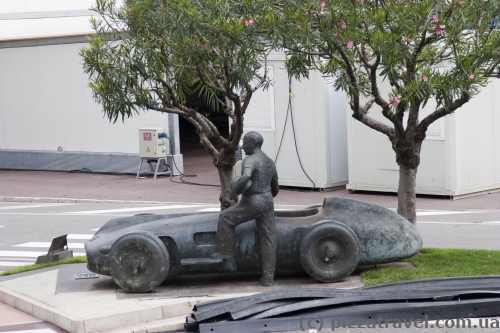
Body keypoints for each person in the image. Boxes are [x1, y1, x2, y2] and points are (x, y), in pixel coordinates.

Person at [211, 131, 279, 286]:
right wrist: (266, 198)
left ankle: (224, 252)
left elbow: (246, 177)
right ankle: (268, 278)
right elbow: (276, 188)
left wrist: (233, 193)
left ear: (253, 144)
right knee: (269, 239)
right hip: (267, 200)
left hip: (253, 200)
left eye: (245, 143)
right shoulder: (270, 161)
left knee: (226, 217)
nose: (242, 146)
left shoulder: (250, 160)